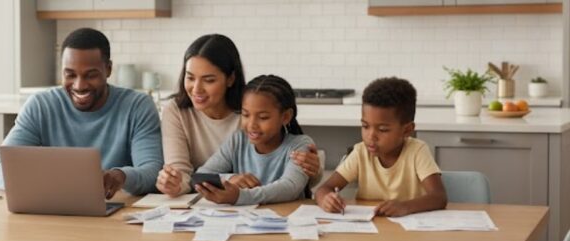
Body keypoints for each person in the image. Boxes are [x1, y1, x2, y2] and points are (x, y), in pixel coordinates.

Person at [0, 28, 162, 197]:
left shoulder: (138, 106)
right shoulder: (40, 106)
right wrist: (50, 185)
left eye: (90, 75)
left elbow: (153, 172)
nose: (79, 85)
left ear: (108, 69)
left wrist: (121, 176)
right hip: (50, 209)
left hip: (114, 214)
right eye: (70, 75)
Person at [156, 34, 321, 197]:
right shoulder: (177, 111)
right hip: (219, 203)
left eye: (209, 80)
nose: (196, 89)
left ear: (230, 79)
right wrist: (175, 182)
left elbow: (292, 182)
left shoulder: (251, 108)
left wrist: (313, 170)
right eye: (190, 77)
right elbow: (189, 176)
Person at [160, 75, 313, 205]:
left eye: (263, 117)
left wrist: (240, 196)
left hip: (286, 222)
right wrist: (231, 179)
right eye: (245, 115)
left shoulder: (299, 145)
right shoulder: (238, 140)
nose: (251, 125)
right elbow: (200, 176)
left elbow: (290, 188)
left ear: (285, 117)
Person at [315, 77, 447, 217]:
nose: (371, 136)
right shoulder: (360, 152)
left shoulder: (417, 151)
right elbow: (324, 189)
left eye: (383, 129)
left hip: (408, 234)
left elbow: (439, 197)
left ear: (407, 130)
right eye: (365, 126)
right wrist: (326, 199)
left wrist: (404, 207)